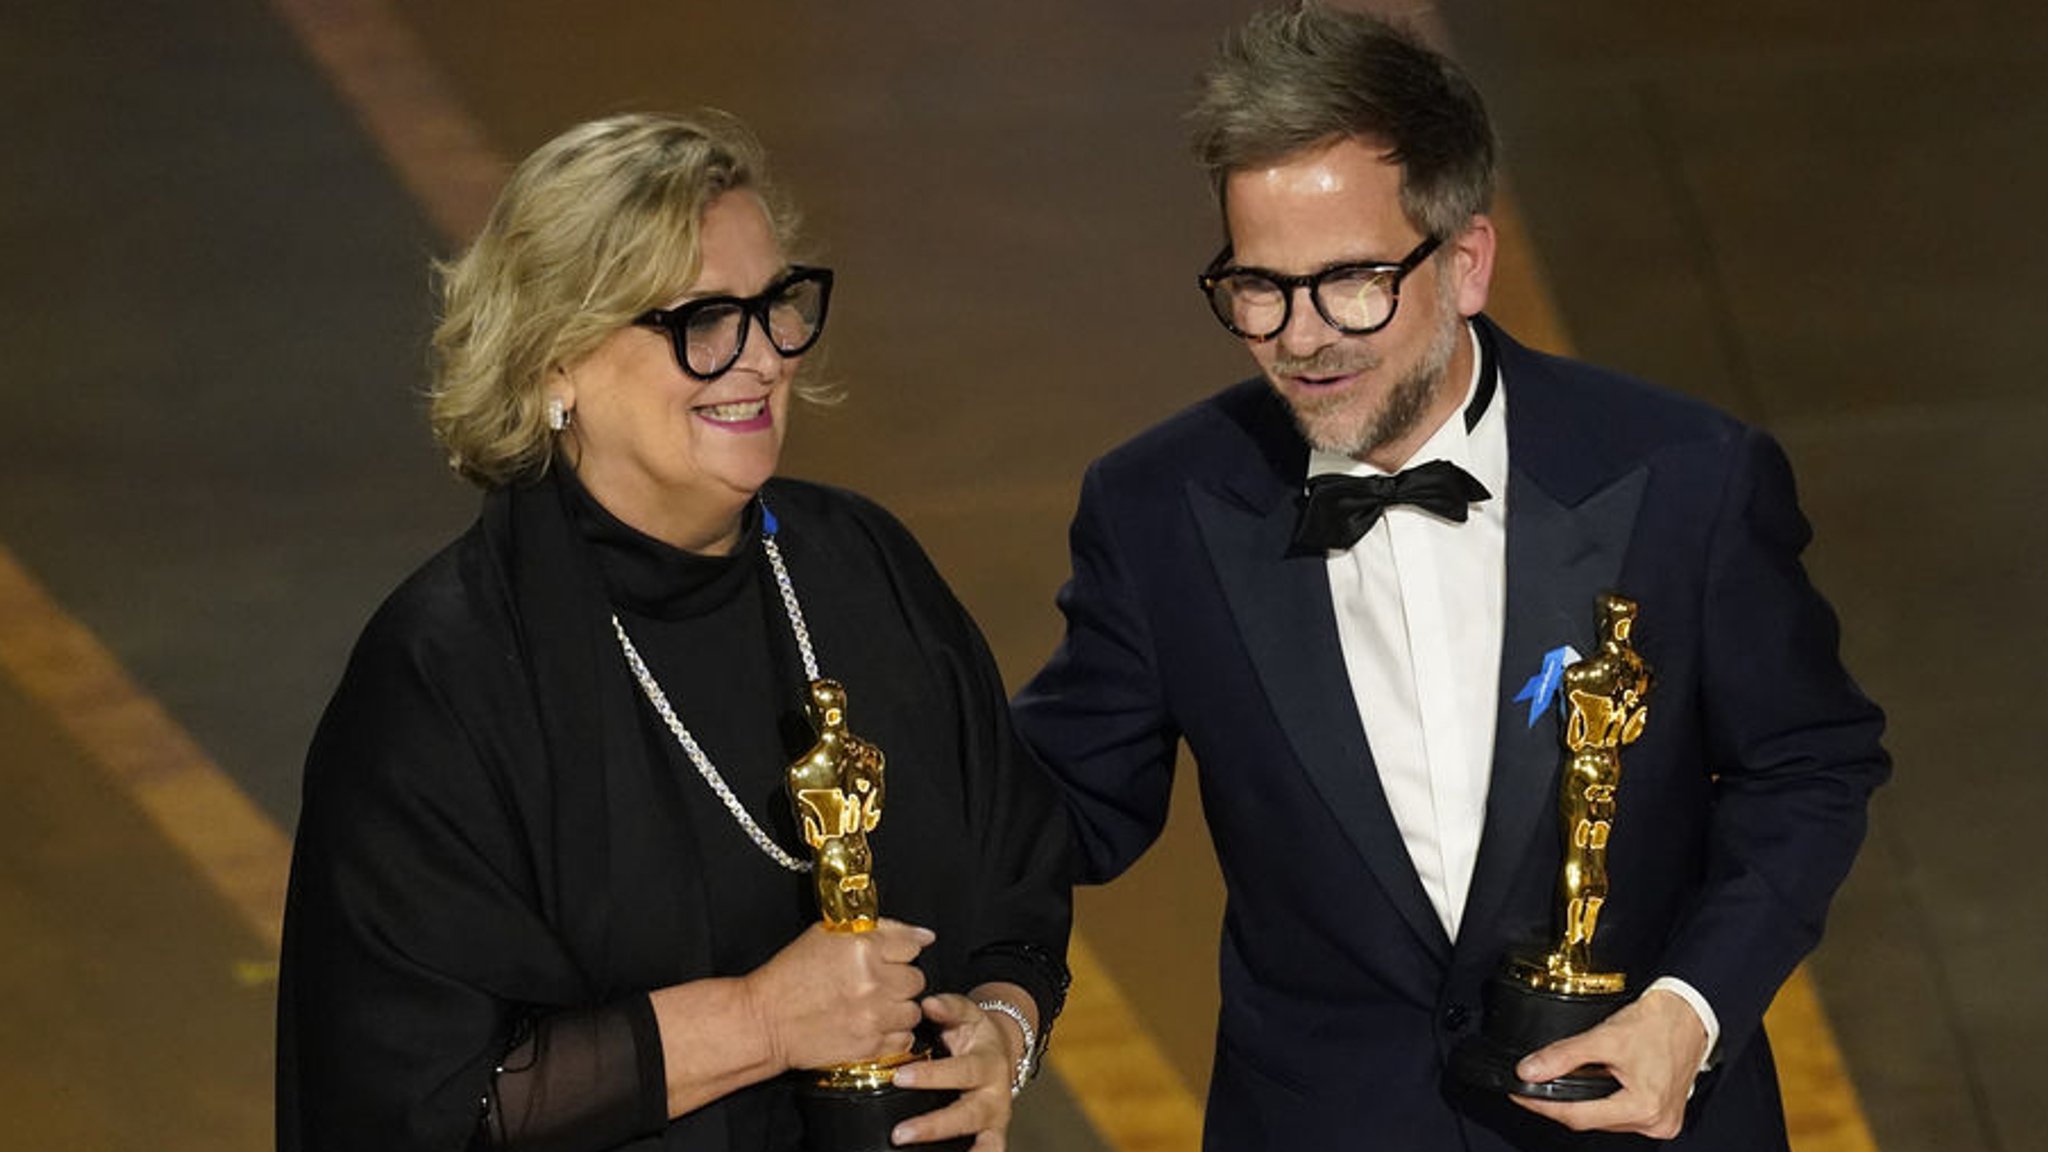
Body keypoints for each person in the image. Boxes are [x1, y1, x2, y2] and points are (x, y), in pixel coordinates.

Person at [1011, 6, 1887, 1150]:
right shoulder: (1160, 510)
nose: (1302, 338)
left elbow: (1808, 766)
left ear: (1465, 261)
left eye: (1351, 282)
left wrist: (1690, 1010)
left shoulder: (1684, 481)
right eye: (1258, 288)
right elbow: (1055, 810)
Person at [277, 110, 1070, 1152]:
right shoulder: (445, 675)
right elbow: (415, 1103)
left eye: (774, 307)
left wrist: (1002, 1032)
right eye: (701, 321)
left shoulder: (858, 566)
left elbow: (1018, 866)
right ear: (554, 359)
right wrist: (761, 1022)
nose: (758, 361)